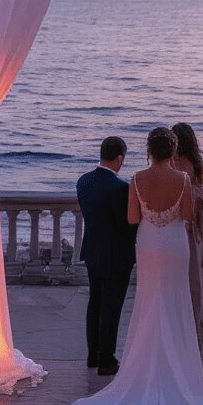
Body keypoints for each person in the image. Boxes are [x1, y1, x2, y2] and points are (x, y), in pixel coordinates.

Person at [70, 126, 203, 405]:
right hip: (175, 245)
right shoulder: (184, 180)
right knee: (175, 303)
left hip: (148, 245)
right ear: (172, 149)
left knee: (148, 302)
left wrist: (153, 217)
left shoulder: (136, 179)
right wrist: (170, 214)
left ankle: (140, 369)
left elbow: (133, 219)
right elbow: (188, 215)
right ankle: (178, 373)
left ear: (149, 149)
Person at [77, 136, 136, 376]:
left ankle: (93, 355)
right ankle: (107, 359)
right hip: (116, 255)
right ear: (120, 158)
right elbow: (127, 224)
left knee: (95, 303)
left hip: (92, 250)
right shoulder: (120, 188)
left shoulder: (83, 181)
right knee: (112, 307)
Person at [172, 122, 203, 348]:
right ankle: (196, 329)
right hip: (199, 226)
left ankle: (180, 329)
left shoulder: (175, 163)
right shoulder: (199, 165)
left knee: (181, 278)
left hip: (182, 224)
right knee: (196, 279)